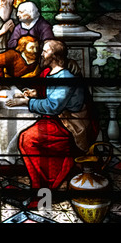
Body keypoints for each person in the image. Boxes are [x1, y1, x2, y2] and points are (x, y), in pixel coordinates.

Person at [6, 40, 99, 208]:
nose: (42, 53)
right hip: (59, 119)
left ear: (55, 56)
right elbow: (52, 95)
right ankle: (41, 189)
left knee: (28, 140)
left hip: (70, 124)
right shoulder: (52, 73)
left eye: (46, 51)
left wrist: (26, 102)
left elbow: (53, 106)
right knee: (25, 139)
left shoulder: (66, 77)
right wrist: (34, 94)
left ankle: (46, 190)